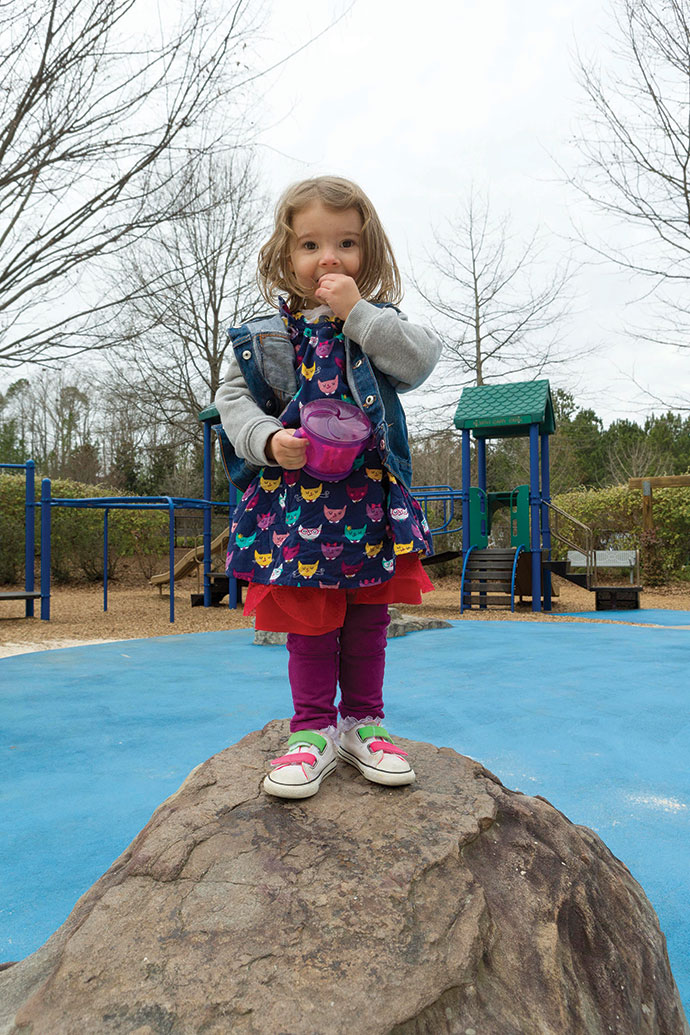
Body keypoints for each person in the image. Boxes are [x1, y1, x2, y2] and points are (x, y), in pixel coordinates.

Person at [214, 176, 442, 799]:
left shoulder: (376, 324)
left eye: (346, 243)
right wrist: (265, 439)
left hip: (368, 498)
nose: (329, 257)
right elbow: (231, 401)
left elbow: (420, 362)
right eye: (311, 245)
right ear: (286, 258)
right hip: (296, 503)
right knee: (311, 620)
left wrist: (358, 314)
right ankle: (312, 730)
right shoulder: (261, 335)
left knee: (369, 614)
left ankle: (364, 723)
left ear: (369, 253)